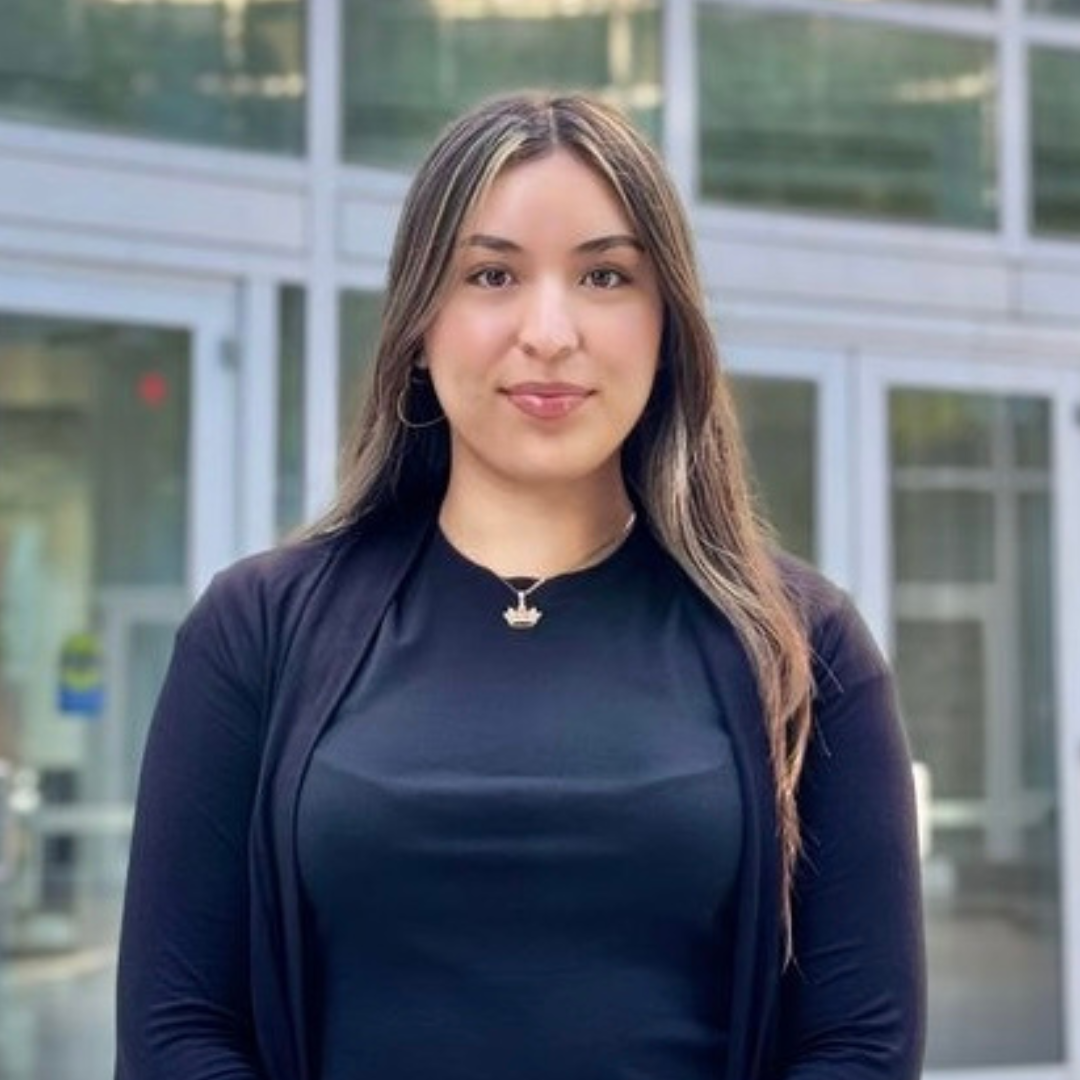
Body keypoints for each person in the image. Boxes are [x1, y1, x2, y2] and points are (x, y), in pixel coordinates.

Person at [115, 91, 925, 1080]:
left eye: (605, 275)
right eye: (491, 273)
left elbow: (858, 1049)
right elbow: (177, 1031)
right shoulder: (258, 631)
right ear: (418, 320)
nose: (549, 332)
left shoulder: (803, 647)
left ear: (668, 323)